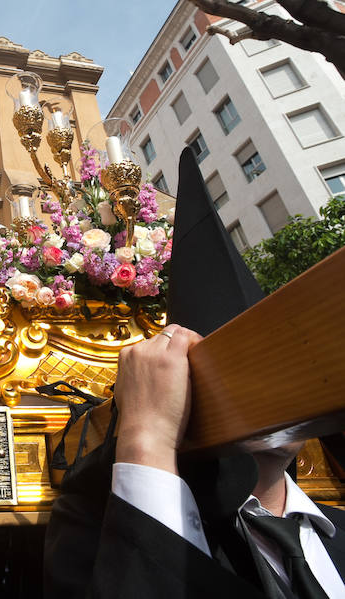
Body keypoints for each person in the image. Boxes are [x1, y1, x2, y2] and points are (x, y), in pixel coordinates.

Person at [43, 148, 345, 598]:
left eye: (278, 353)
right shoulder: (96, 534)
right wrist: (146, 439)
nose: (271, 378)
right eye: (244, 362)